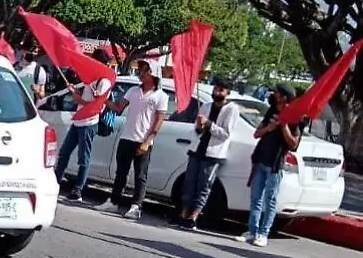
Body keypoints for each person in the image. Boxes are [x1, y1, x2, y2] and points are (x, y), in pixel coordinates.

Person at [97, 60, 168, 220]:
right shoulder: (133, 91)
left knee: (140, 175)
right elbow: (118, 107)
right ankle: (114, 201)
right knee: (121, 172)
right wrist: (102, 99)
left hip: (143, 141)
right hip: (127, 137)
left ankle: (136, 206)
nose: (141, 74)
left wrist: (147, 141)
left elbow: (159, 120)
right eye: (140, 70)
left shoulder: (160, 96)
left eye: (144, 71)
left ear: (153, 74)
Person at [237, 84, 304, 247]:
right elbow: (257, 133)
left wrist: (283, 125)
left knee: (270, 199)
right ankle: (252, 231)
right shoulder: (271, 110)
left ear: (284, 97)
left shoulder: (295, 117)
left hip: (275, 164)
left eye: (277, 93)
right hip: (261, 159)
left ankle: (263, 233)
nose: (274, 95)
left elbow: (293, 144)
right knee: (256, 198)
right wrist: (269, 127)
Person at [178, 76, 241, 230]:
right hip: (197, 149)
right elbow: (197, 130)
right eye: (215, 89)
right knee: (189, 183)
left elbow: (226, 133)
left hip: (213, 153)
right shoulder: (206, 106)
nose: (217, 92)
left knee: (204, 185)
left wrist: (209, 124)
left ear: (227, 92)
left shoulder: (231, 109)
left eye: (221, 90)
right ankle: (183, 214)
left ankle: (194, 217)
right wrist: (199, 126)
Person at [54, 51, 115, 202]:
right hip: (79, 121)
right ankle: (55, 182)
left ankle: (78, 189)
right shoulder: (92, 78)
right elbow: (84, 98)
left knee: (83, 157)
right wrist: (75, 91)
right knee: (64, 153)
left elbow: (93, 103)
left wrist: (75, 95)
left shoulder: (104, 81)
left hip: (89, 122)